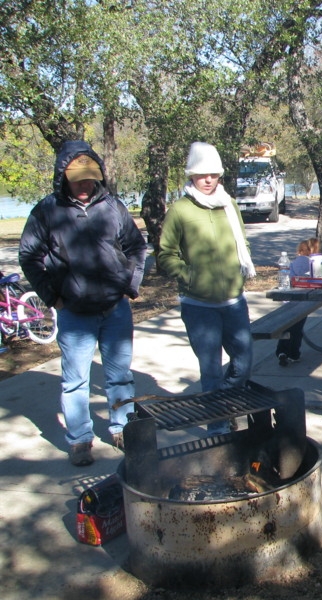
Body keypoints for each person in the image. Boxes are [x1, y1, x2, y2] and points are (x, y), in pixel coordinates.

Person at [19, 141, 147, 466]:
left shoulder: (112, 206)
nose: (86, 185)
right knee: (76, 381)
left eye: (91, 178)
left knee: (120, 376)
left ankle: (122, 429)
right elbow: (29, 255)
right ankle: (80, 440)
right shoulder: (47, 210)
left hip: (115, 308)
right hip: (75, 313)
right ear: (64, 177)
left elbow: (135, 245)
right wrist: (54, 296)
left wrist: (129, 285)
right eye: (79, 180)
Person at [159, 142, 256, 435]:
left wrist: (239, 274)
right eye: (202, 174)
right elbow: (165, 254)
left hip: (233, 302)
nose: (208, 179)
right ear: (191, 176)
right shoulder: (180, 210)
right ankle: (218, 429)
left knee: (244, 362)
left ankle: (223, 404)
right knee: (211, 370)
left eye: (213, 173)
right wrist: (189, 277)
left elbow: (244, 242)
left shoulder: (229, 204)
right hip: (199, 306)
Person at [276, 238, 319, 366]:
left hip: (289, 298)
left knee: (287, 327)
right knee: (297, 329)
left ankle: (281, 351)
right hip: (303, 300)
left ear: (299, 251)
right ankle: (294, 353)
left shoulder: (293, 263)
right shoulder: (312, 262)